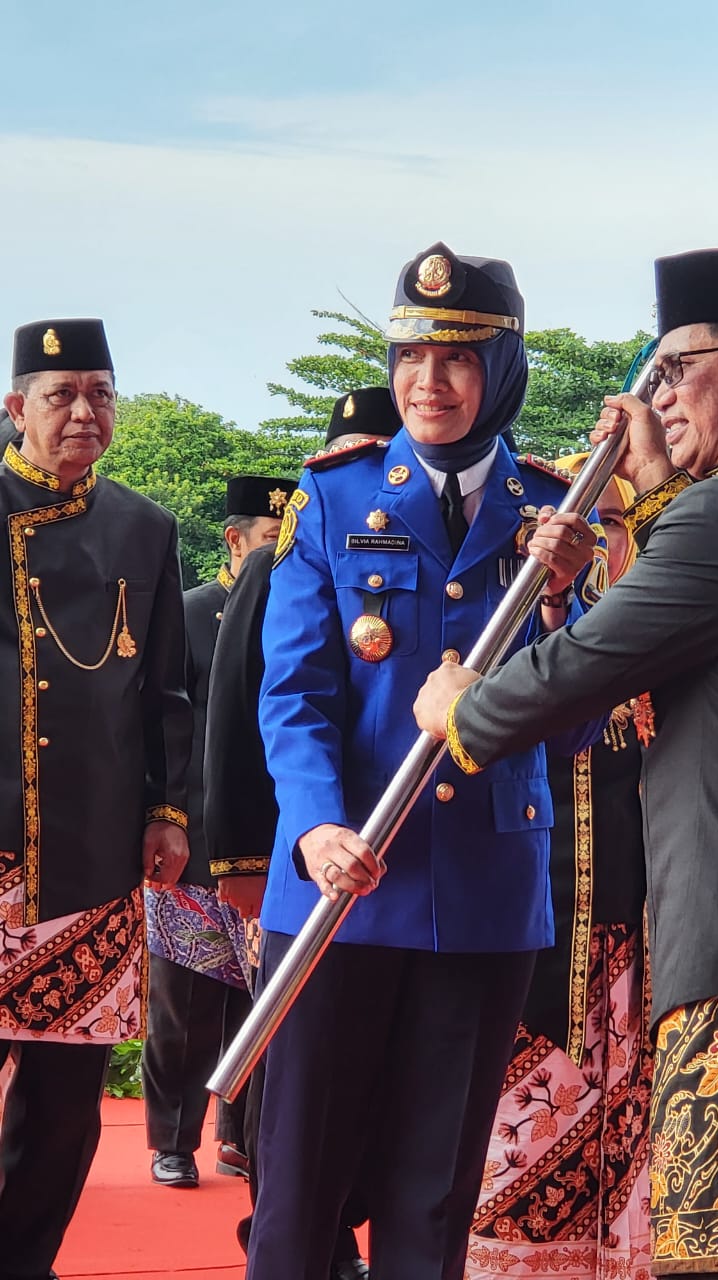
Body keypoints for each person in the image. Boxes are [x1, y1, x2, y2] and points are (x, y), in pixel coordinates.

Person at [414, 247, 718, 1280]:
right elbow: (711, 630)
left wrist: (464, 706)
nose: (659, 396)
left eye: (679, 367)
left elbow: (575, 669)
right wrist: (653, 497)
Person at [246, 242, 598, 1280]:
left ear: (506, 368)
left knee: (433, 1195)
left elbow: (571, 728)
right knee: (299, 1190)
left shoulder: (553, 517)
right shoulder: (337, 500)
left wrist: (562, 599)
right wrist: (313, 823)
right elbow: (296, 691)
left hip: (481, 896)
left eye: (457, 358)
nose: (427, 382)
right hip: (336, 884)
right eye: (409, 355)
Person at [0, 318, 191, 1280]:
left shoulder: (146, 529)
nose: (84, 412)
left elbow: (167, 693)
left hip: (91, 848)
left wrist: (169, 811)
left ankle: (25, 1259)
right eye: (61, 394)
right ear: (14, 408)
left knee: (68, 1088)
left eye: (100, 393)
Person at [204, 386, 402, 1276]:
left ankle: (340, 1234)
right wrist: (244, 859)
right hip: (297, 856)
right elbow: (246, 718)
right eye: (352, 448)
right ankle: (299, 1236)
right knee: (294, 1081)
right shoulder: (289, 551)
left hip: (392, 869)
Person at [466, 454, 653, 1280]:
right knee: (519, 1129)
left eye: (618, 526)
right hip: (529, 922)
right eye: (589, 528)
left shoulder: (669, 622)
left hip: (640, 934)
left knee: (638, 1138)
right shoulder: (517, 624)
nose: (603, 546)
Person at [143, 473, 295, 1190]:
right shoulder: (190, 613)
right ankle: (173, 1141)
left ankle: (244, 1140)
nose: (282, 553)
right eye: (271, 541)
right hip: (192, 843)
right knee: (185, 1007)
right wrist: (163, 817)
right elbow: (164, 726)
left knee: (261, 1001)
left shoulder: (302, 609)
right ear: (235, 542)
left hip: (276, 843)